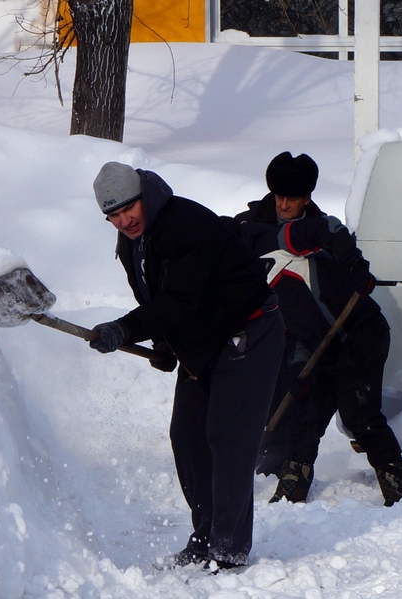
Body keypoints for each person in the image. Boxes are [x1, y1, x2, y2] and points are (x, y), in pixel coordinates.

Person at [89, 161, 284, 571]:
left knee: (227, 439)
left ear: (144, 197)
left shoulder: (184, 225)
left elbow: (180, 302)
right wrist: (164, 344)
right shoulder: (132, 243)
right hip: (204, 340)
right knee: (188, 437)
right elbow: (158, 297)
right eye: (113, 215)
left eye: (129, 209)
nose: (124, 220)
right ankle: (206, 535)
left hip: (248, 331)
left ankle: (228, 549)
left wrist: (124, 329)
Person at [235, 151, 402, 507]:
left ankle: (398, 488)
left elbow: (335, 236)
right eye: (279, 196)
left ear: (308, 197)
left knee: (359, 415)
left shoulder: (314, 229)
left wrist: (357, 269)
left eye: (292, 198)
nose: (284, 204)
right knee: (304, 412)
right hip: (312, 338)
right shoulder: (252, 230)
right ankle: (291, 490)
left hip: (357, 333)